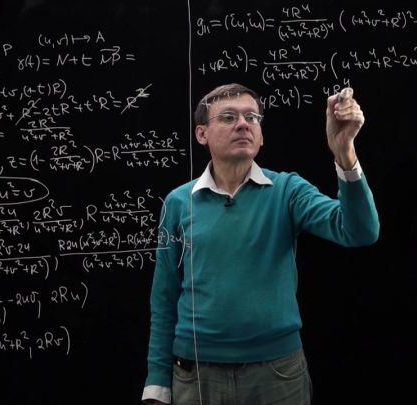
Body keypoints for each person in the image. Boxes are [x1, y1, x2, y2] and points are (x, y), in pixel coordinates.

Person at [142, 83, 379, 404]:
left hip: (277, 374)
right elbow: (164, 296)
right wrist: (157, 384)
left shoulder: (287, 190)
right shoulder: (178, 202)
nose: (243, 124)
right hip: (196, 375)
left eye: (252, 117)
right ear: (201, 134)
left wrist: (345, 153)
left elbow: (359, 231)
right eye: (228, 117)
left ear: (261, 135)